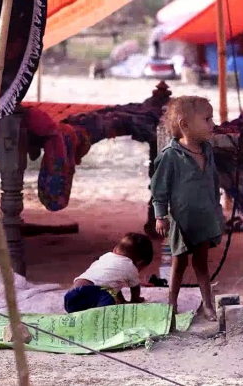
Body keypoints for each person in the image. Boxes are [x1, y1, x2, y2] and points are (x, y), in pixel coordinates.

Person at [150, 96, 224, 322]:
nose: (213, 124)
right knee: (178, 262)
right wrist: (160, 216)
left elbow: (213, 183)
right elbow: (158, 188)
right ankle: (171, 305)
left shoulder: (207, 151)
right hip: (181, 221)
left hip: (204, 218)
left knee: (202, 264)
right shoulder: (171, 155)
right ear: (185, 125)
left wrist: (217, 212)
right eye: (208, 119)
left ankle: (207, 305)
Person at [64, 232, 153, 313]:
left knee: (108, 291)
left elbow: (114, 286)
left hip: (71, 296)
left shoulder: (106, 257)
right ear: (140, 263)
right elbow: (135, 287)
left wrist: (121, 301)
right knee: (109, 298)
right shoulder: (131, 267)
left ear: (115, 249)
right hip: (90, 293)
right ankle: (100, 317)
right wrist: (135, 300)